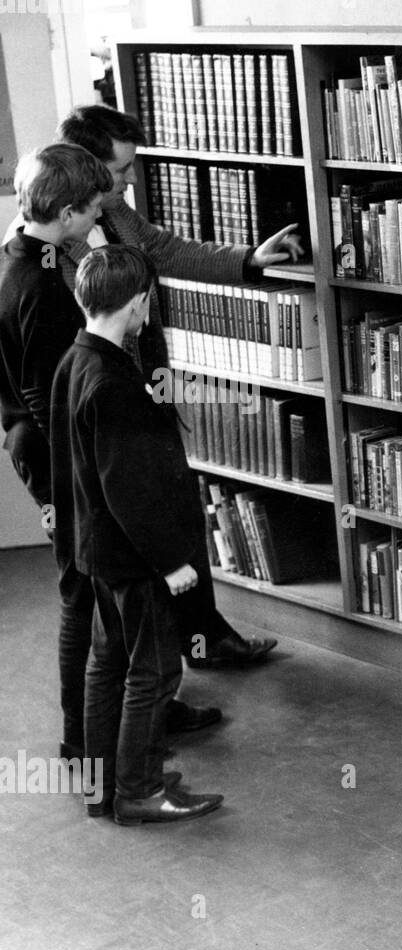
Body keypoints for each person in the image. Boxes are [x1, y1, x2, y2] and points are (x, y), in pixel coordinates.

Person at [55, 104, 298, 668]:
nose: (130, 180)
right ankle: (151, 684)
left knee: (176, 506)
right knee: (130, 540)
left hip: (145, 386)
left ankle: (203, 639)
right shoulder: (49, 250)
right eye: (120, 169)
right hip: (103, 404)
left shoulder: (115, 213)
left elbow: (165, 250)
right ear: (85, 168)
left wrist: (249, 260)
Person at [0, 144, 219, 763]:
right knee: (87, 605)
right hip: (61, 465)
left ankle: (112, 735)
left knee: (99, 617)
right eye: (94, 206)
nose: (103, 211)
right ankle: (96, 747)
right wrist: (70, 488)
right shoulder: (44, 289)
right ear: (67, 214)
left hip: (54, 458)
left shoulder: (15, 259)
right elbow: (52, 401)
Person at [50, 244, 223, 825]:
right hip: (133, 558)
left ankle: (104, 787)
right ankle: (141, 790)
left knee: (107, 663)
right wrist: (171, 561)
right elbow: (129, 490)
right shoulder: (115, 382)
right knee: (156, 670)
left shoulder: (73, 363)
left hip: (93, 553)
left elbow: (70, 470)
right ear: (136, 304)